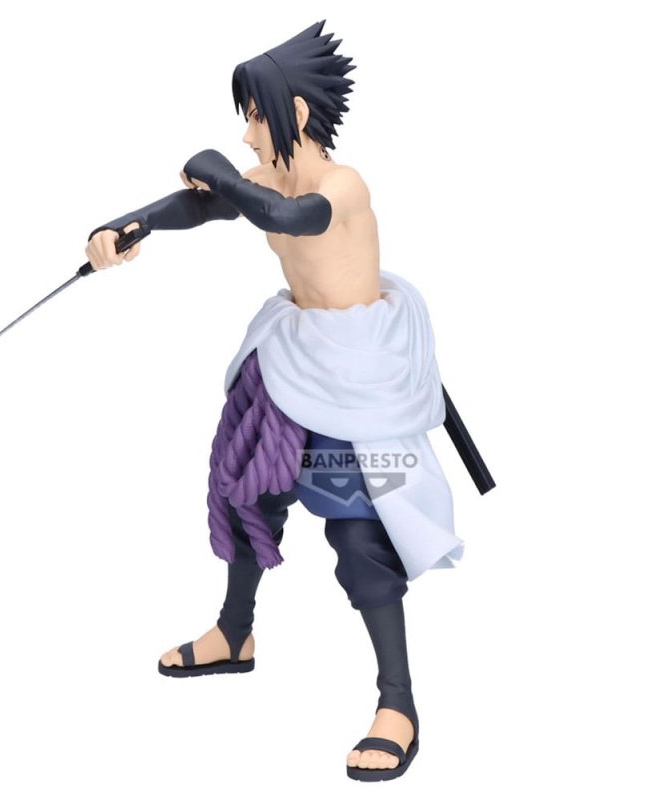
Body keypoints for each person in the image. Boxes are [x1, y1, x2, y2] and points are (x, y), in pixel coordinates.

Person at [85, 20, 464, 782]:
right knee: (245, 487)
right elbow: (204, 206)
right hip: (295, 361)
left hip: (358, 380)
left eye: (256, 115)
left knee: (360, 530)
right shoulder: (265, 178)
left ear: (294, 113)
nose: (247, 132)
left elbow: (286, 217)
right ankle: (236, 631)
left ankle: (398, 703)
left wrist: (219, 173)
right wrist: (133, 225)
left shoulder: (341, 185)